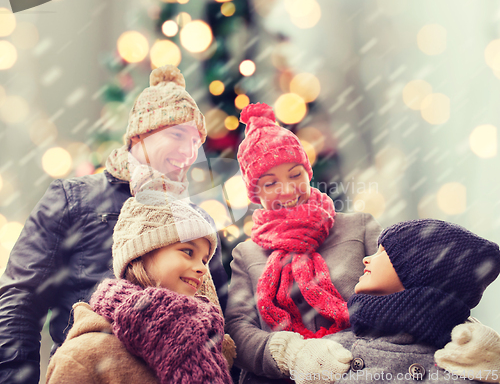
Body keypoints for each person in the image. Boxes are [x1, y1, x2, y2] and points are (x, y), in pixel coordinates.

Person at [0, 65, 228, 384]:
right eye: (177, 135)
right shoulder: (74, 199)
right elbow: (20, 300)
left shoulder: (197, 220)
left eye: (195, 142)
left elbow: (221, 318)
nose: (188, 152)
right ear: (140, 133)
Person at [225, 103, 383, 383]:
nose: (286, 190)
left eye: (295, 175)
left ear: (308, 174)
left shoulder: (359, 226)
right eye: (270, 183)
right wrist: (293, 355)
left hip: (364, 372)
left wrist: (347, 350)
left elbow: (399, 292)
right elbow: (238, 330)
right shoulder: (246, 254)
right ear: (254, 193)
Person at [270, 219, 500, 383]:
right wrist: (295, 355)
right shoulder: (332, 354)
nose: (367, 258)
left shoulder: (467, 362)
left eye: (382, 252)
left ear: (419, 271)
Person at [45, 189, 234, 384]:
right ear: (141, 253)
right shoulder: (83, 356)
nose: (202, 269)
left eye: (204, 260)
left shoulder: (207, 341)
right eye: (188, 251)